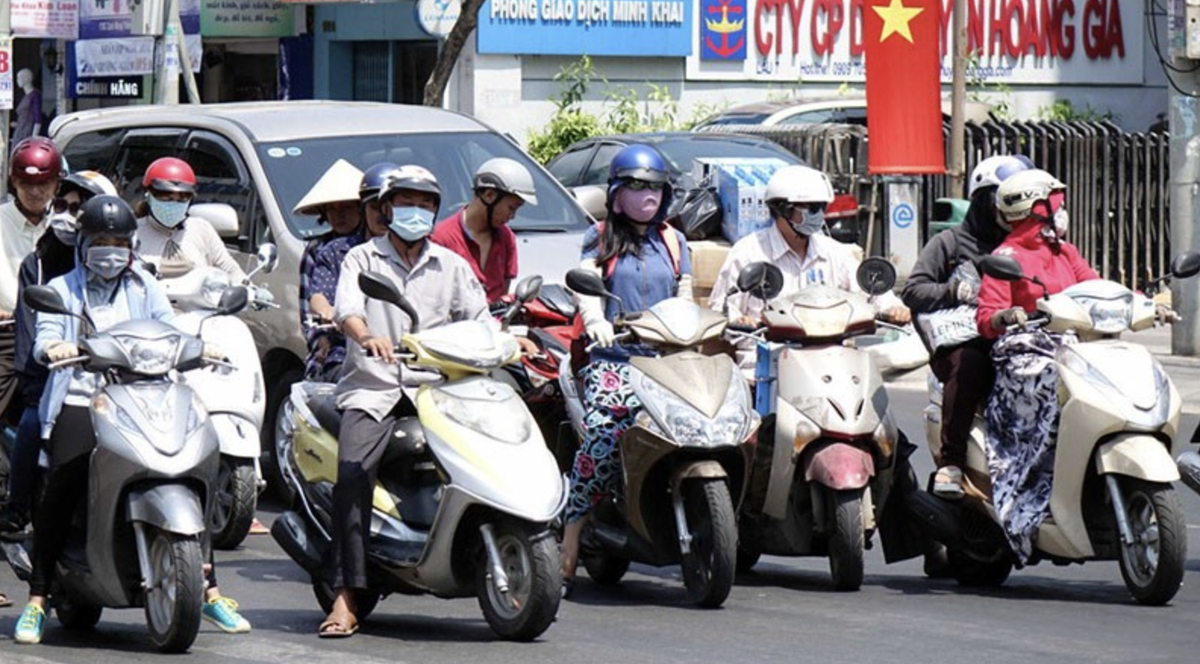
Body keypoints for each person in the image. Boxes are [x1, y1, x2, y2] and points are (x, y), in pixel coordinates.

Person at [13, 196, 250, 644]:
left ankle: (210, 588)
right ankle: (38, 599)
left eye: (119, 241)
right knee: (63, 483)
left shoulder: (146, 286)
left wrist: (202, 346)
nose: (110, 249)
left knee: (196, 467)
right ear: (83, 244)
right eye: (100, 241)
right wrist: (55, 350)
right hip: (84, 397)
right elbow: (46, 334)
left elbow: (170, 328)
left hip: (146, 393)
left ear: (132, 245)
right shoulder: (65, 290)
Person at [319, 166, 488, 638]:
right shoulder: (361, 260)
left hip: (437, 388)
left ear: (435, 211)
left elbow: (479, 318)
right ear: (387, 209)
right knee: (353, 473)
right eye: (406, 203)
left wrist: (509, 340)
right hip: (374, 387)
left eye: (425, 203)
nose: (416, 212)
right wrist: (367, 336)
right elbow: (348, 310)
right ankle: (347, 594)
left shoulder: (452, 265)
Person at [559, 144, 693, 598]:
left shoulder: (675, 241)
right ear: (617, 193)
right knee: (602, 433)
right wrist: (596, 323)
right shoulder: (599, 237)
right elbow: (586, 287)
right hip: (614, 358)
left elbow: (685, 296)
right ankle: (571, 534)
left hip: (666, 359)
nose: (646, 195)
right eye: (636, 186)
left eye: (654, 186)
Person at [974, 168, 1099, 564]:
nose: (1061, 211)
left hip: (1073, 343)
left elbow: (1094, 286)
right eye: (1054, 204)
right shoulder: (1005, 258)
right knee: (1052, 382)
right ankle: (1034, 488)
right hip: (1025, 353)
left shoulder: (1065, 250)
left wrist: (1144, 301)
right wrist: (1006, 317)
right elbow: (986, 316)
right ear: (1035, 209)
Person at [901, 155, 1032, 499]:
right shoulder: (949, 243)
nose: (1016, 211)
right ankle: (952, 462)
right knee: (970, 361)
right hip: (967, 342)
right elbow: (913, 291)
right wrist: (955, 291)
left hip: (1023, 341)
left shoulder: (1030, 246)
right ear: (986, 200)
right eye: (1008, 200)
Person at [1, 171, 117, 539]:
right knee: (34, 422)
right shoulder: (40, 263)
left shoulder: (130, 270)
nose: (69, 215)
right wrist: (45, 361)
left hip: (119, 378)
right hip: (54, 375)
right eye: (63, 206)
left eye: (79, 208)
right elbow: (31, 330)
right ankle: (17, 508)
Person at [709, 164, 911, 347]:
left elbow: (874, 296)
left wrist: (894, 309)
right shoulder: (748, 253)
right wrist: (740, 321)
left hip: (829, 360)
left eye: (822, 208)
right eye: (812, 208)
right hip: (766, 369)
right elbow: (720, 310)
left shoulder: (834, 253)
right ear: (783, 209)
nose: (819, 215)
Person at [304, 162, 398, 382]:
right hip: (350, 356)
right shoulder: (337, 252)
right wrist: (328, 314)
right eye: (375, 207)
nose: (383, 216)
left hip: (413, 357)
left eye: (391, 207)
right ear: (364, 208)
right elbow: (318, 298)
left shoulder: (433, 254)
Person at [292, 159, 366, 381]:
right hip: (337, 350)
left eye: (345, 207)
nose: (338, 215)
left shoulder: (382, 247)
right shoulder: (320, 250)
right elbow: (313, 303)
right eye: (331, 209)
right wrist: (321, 339)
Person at [431, 158, 537, 303]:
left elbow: (502, 297)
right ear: (489, 195)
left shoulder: (506, 238)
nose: (512, 216)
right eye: (511, 208)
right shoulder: (441, 239)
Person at [133, 157, 250, 284]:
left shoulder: (201, 228)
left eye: (182, 199)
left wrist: (249, 288)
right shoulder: (133, 233)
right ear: (149, 195)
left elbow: (229, 268)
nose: (173, 204)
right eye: (166, 197)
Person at [12, 70, 42, 143]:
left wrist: (34, 137)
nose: (17, 81)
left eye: (18, 78)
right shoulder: (25, 97)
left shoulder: (34, 95)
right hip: (19, 132)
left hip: (27, 134)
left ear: (26, 79)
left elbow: (37, 119)